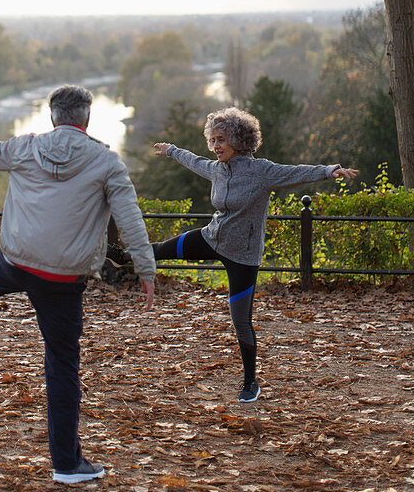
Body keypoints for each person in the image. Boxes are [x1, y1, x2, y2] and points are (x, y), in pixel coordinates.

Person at [0, 84, 156, 485]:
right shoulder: (107, 162)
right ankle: (67, 465)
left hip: (18, 260)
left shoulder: (26, 148)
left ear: (53, 116)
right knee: (61, 364)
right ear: (86, 119)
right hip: (64, 276)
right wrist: (146, 269)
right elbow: (130, 218)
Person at [108, 106, 357, 404]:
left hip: (244, 255)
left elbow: (295, 172)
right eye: (213, 140)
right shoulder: (216, 168)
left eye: (222, 140)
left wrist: (330, 171)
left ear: (239, 140)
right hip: (213, 238)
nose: (216, 147)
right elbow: (194, 160)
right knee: (163, 249)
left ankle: (250, 382)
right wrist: (172, 150)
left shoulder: (260, 171)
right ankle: (123, 257)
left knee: (240, 320)